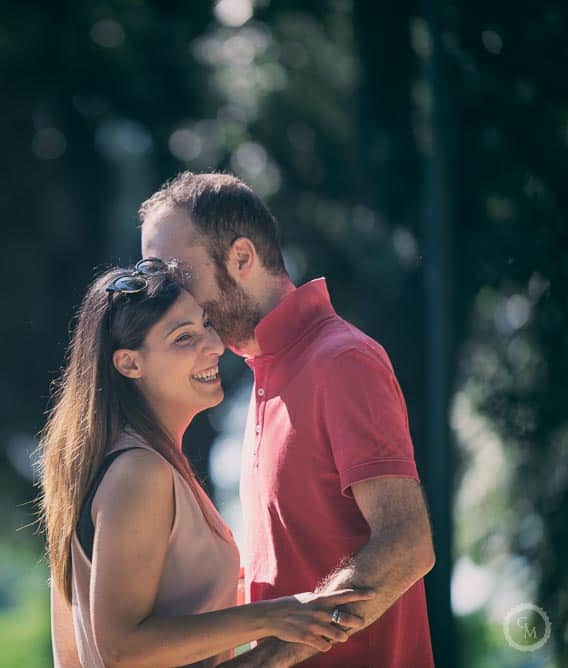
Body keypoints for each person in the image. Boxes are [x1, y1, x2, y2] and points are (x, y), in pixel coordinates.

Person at [139, 171, 436, 667]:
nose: (167, 297)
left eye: (177, 275)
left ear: (241, 258)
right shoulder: (263, 372)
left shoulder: (341, 360)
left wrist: (263, 661)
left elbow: (407, 545)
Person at [38, 263, 372, 668]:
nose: (213, 346)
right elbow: (121, 650)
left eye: (206, 326)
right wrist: (275, 616)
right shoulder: (139, 473)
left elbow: (70, 658)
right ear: (128, 364)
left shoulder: (134, 465)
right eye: (184, 338)